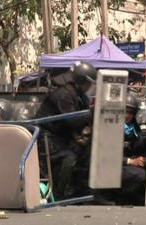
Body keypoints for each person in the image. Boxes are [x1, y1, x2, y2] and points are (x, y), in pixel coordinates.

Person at [35, 61, 96, 199]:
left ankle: (83, 191)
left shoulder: (78, 95)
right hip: (46, 137)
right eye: (89, 83)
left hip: (59, 135)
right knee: (69, 157)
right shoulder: (65, 94)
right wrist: (91, 113)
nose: (89, 87)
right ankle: (60, 194)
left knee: (86, 152)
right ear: (82, 80)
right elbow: (72, 120)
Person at [115, 93, 146, 205]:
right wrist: (131, 161)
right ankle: (121, 199)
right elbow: (109, 155)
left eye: (131, 113)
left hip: (128, 163)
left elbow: (137, 148)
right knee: (140, 175)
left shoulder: (134, 128)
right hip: (115, 165)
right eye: (125, 111)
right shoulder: (113, 127)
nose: (127, 116)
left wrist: (144, 158)